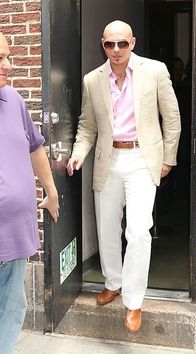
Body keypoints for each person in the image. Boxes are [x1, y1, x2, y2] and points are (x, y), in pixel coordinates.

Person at [67, 20, 181, 333]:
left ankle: (133, 301)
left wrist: (168, 158)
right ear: (102, 44)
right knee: (106, 226)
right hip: (108, 159)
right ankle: (113, 282)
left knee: (139, 231)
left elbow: (171, 117)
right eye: (109, 44)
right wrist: (78, 154)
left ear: (133, 42)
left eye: (122, 44)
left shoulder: (154, 70)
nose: (116, 50)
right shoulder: (93, 80)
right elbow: (87, 126)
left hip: (143, 159)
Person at [0, 33, 59, 354]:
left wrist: (51, 191)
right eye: (0, 59)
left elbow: (35, 148)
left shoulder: (13, 100)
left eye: (8, 57)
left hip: (14, 234)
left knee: (11, 309)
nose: (8, 65)